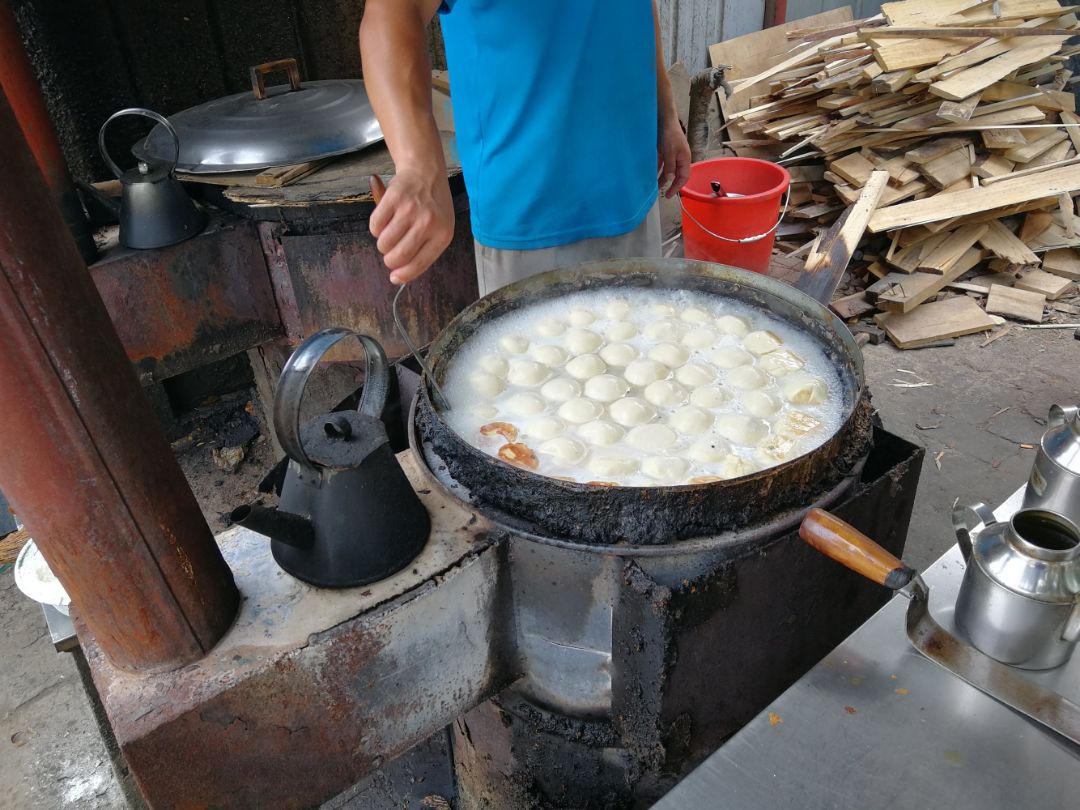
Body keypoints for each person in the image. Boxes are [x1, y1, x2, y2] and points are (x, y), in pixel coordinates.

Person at [359, 0, 691, 295]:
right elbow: (393, 11)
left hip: (633, 186)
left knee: (646, 335)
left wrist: (666, 113)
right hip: (532, 212)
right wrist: (419, 166)